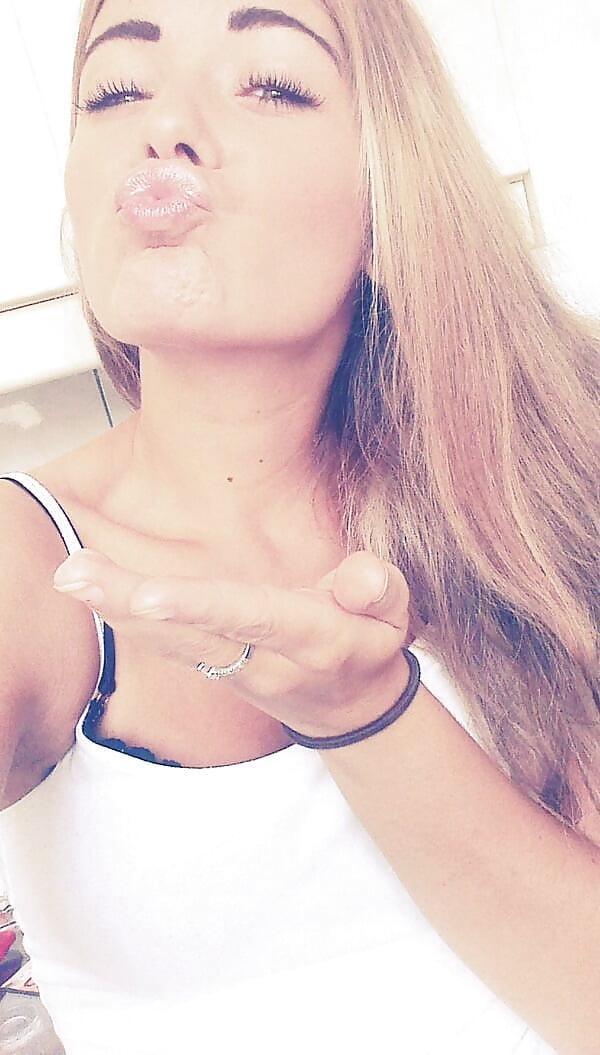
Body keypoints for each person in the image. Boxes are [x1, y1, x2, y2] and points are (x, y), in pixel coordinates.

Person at [0, 1, 598, 1053]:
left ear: (388, 191)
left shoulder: (540, 496)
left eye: (270, 84)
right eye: (116, 91)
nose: (164, 126)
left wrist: (367, 713)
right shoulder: (31, 558)